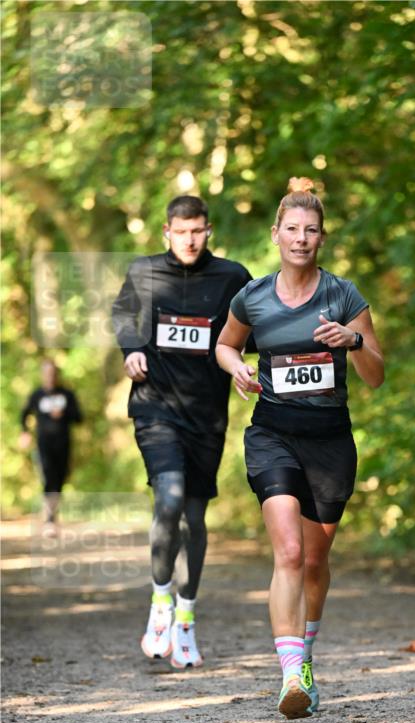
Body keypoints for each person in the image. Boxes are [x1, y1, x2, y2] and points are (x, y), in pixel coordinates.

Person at [216, 177, 384, 719]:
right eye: (292, 229)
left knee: (315, 560)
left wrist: (354, 341)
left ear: (321, 238)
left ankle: (303, 655)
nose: (301, 238)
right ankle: (291, 674)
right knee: (287, 551)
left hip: (330, 440)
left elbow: (377, 375)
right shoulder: (254, 295)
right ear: (276, 235)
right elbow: (224, 343)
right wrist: (237, 367)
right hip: (272, 434)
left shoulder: (343, 295)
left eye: (311, 230)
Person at [112, 195, 251, 670]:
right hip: (155, 407)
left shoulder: (233, 277)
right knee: (168, 500)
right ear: (166, 232)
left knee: (194, 516)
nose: (189, 239)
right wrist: (131, 348)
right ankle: (160, 601)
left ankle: (186, 619)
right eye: (181, 231)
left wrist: (248, 367)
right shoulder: (144, 271)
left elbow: (257, 328)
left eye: (198, 231)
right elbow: (121, 314)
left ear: (208, 231)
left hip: (207, 416)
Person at [19, 359, 83, 533]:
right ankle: (49, 519)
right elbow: (24, 414)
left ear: (57, 375)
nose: (50, 377)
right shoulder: (37, 395)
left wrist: (64, 413)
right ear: (42, 375)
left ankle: (52, 514)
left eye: (53, 373)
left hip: (63, 444)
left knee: (60, 479)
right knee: (48, 477)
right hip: (43, 444)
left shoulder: (67, 395)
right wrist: (24, 433)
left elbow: (79, 418)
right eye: (47, 373)